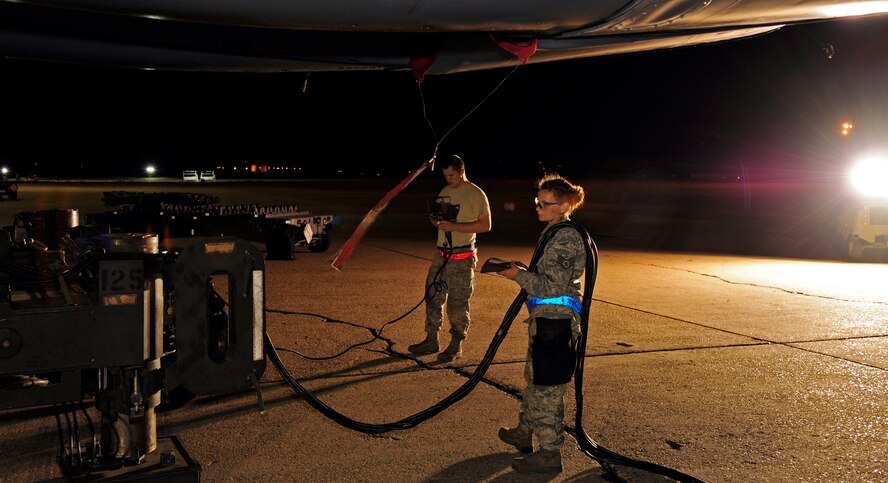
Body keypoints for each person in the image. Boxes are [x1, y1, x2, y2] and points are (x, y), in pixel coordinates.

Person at [496, 173, 586, 474]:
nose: (538, 207)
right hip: (545, 321)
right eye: (538, 201)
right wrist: (522, 270)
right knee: (535, 381)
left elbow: (552, 287)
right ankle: (524, 433)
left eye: (546, 203)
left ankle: (550, 454)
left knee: (548, 391)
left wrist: (518, 276)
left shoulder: (565, 236)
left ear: (563, 206)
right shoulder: (552, 231)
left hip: (556, 324)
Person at [407, 155, 491, 362]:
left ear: (461, 171)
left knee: (457, 304)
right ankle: (431, 340)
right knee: (433, 297)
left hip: (461, 257)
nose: (448, 179)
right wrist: (436, 220)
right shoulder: (445, 192)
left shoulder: (476, 194)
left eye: (451, 175)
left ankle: (456, 345)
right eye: (445, 176)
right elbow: (441, 218)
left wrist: (455, 227)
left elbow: (485, 225)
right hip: (441, 255)